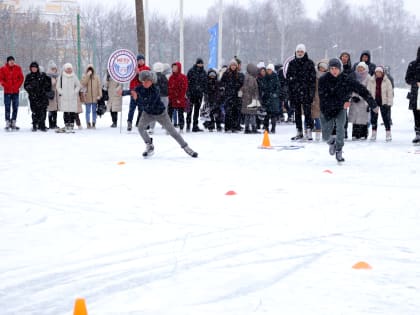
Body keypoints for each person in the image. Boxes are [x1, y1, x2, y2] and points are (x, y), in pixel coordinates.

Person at [319, 58, 378, 162]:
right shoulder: (323, 80)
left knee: (341, 128)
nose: (334, 71)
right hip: (326, 108)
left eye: (336, 68)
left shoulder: (346, 79)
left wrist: (372, 104)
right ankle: (331, 142)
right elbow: (324, 97)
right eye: (332, 68)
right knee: (325, 136)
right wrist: (344, 101)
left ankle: (339, 149)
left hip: (341, 108)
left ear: (340, 69)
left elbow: (362, 90)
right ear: (329, 69)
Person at [133, 70, 198, 158]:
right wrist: (122, 92)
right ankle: (149, 145)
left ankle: (186, 147)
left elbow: (148, 103)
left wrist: (137, 99)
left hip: (161, 114)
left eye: (147, 81)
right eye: (143, 81)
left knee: (172, 131)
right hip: (147, 113)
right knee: (140, 128)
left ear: (151, 81)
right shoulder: (140, 88)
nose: (145, 83)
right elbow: (131, 91)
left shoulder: (155, 90)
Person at [286, 44, 316, 140]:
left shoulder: (310, 63)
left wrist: (311, 93)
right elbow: (288, 79)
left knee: (308, 113)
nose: (299, 53)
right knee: (297, 113)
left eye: (301, 51)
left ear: (304, 52)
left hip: (306, 92)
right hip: (295, 93)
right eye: (298, 51)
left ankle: (309, 131)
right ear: (295, 52)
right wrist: (290, 92)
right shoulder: (292, 63)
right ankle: (299, 131)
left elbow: (312, 80)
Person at [367, 66, 393, 141]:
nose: (378, 74)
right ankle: (373, 133)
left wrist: (389, 103)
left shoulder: (387, 81)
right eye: (377, 72)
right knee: (374, 119)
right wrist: (369, 102)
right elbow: (368, 92)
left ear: (382, 73)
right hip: (374, 102)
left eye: (380, 72)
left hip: (384, 102)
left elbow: (390, 92)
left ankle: (388, 133)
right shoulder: (371, 80)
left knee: (386, 119)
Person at [24, 61, 51, 131]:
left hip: (42, 96)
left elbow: (48, 84)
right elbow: (26, 86)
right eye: (32, 68)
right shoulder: (29, 76)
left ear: (37, 68)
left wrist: (44, 89)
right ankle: (35, 125)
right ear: (30, 68)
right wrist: (31, 88)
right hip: (33, 97)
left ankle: (42, 125)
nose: (34, 69)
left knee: (42, 111)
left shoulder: (42, 75)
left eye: (35, 67)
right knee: (34, 111)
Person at [0, 56, 24, 131]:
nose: (12, 62)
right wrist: (6, 86)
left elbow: (21, 78)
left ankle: (13, 121)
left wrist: (17, 86)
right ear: (7, 62)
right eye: (10, 61)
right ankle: (7, 122)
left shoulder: (18, 68)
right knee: (7, 107)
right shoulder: (3, 69)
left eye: (13, 60)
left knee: (15, 107)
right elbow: (1, 79)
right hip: (7, 91)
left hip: (15, 91)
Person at [128, 54, 150, 131]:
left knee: (141, 109)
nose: (140, 61)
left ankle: (139, 123)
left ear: (144, 60)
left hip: (142, 92)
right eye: (139, 60)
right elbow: (130, 78)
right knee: (132, 108)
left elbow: (146, 79)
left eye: (142, 60)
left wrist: (139, 73)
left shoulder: (147, 68)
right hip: (134, 91)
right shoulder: (133, 69)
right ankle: (129, 123)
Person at [348, 62, 371, 140]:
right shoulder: (354, 77)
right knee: (355, 118)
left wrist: (361, 97)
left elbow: (369, 89)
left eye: (362, 68)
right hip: (355, 100)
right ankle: (355, 134)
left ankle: (363, 134)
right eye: (359, 68)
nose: (360, 69)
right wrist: (354, 96)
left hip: (364, 100)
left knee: (363, 118)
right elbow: (351, 87)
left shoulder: (368, 77)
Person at [221, 59, 244, 132]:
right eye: (232, 65)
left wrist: (239, 88)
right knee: (228, 112)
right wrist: (225, 88)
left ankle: (235, 127)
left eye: (234, 65)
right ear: (230, 66)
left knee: (236, 112)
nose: (233, 67)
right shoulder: (226, 73)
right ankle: (228, 127)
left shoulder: (239, 74)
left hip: (236, 96)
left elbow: (242, 84)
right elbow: (222, 83)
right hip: (228, 95)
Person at [56, 63, 81, 132]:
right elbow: (58, 87)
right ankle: (66, 124)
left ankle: (72, 124)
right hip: (64, 97)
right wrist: (62, 92)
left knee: (72, 112)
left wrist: (74, 92)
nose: (69, 70)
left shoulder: (74, 76)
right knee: (66, 112)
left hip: (72, 97)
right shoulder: (61, 77)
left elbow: (78, 85)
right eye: (68, 68)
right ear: (65, 69)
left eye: (70, 68)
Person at [186, 58, 207, 132]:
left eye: (201, 63)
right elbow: (187, 82)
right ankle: (188, 125)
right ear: (196, 63)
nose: (200, 64)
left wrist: (204, 91)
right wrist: (187, 92)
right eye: (199, 63)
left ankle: (195, 125)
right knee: (189, 111)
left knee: (197, 111)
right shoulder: (191, 71)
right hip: (191, 94)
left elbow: (205, 83)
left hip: (199, 95)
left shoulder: (204, 72)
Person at [405, 46, 420, 144]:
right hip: (415, 92)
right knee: (416, 114)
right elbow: (407, 78)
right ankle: (418, 133)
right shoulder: (413, 64)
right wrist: (415, 83)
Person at [168, 62, 188, 132]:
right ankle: (169, 128)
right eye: (173, 67)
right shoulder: (171, 77)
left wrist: (179, 98)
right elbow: (169, 88)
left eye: (175, 67)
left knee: (180, 114)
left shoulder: (183, 77)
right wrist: (170, 97)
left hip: (180, 98)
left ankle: (181, 127)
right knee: (169, 113)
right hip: (172, 98)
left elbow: (184, 89)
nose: (174, 69)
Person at [312, 59, 329, 141]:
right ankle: (316, 132)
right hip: (315, 98)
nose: (322, 69)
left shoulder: (328, 76)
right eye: (320, 67)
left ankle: (323, 132)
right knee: (315, 116)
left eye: (323, 67)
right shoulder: (314, 76)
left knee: (323, 117)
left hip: (325, 98)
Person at [240, 63, 259, 134]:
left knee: (247, 115)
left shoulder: (246, 77)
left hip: (246, 99)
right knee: (252, 114)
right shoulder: (251, 78)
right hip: (251, 99)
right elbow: (253, 89)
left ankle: (247, 128)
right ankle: (253, 127)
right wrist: (255, 97)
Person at [81, 64, 102, 129]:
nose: (90, 70)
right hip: (87, 97)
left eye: (91, 69)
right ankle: (88, 123)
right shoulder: (84, 76)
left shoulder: (96, 77)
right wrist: (87, 76)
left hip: (95, 97)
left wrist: (100, 95)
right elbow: (83, 84)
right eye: (89, 69)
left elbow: (99, 86)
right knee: (87, 111)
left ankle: (94, 123)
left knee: (94, 111)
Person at [261, 63, 280, 133]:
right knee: (266, 115)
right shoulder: (265, 78)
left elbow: (278, 88)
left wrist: (274, 94)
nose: (268, 71)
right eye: (267, 70)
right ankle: (266, 128)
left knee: (273, 115)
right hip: (266, 98)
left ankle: (273, 128)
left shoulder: (275, 78)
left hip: (273, 100)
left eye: (270, 70)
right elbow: (263, 87)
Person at [46, 60, 60, 129]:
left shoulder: (57, 76)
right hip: (50, 95)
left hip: (56, 95)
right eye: (52, 68)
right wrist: (53, 81)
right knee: (50, 110)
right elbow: (47, 85)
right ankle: (50, 124)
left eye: (55, 68)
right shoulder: (47, 76)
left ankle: (55, 124)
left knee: (55, 111)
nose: (54, 70)